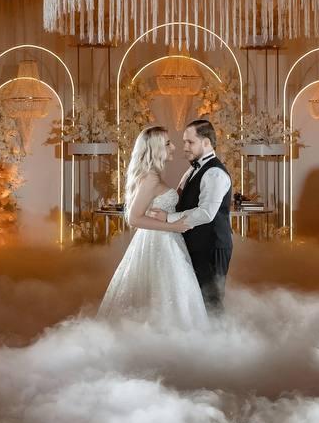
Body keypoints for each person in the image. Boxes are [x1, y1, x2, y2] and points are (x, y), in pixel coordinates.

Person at [98, 125, 202, 324]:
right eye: (168, 144)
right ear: (156, 149)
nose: (173, 147)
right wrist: (173, 227)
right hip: (160, 242)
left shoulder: (153, 175)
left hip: (164, 240)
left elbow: (159, 204)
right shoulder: (150, 178)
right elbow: (134, 218)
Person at [167, 119, 234, 312]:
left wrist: (168, 219)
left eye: (190, 142)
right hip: (198, 244)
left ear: (206, 142)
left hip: (211, 245)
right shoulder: (193, 169)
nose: (185, 147)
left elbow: (206, 213)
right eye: (184, 142)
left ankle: (219, 332)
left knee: (211, 302)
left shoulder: (214, 173)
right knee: (197, 301)